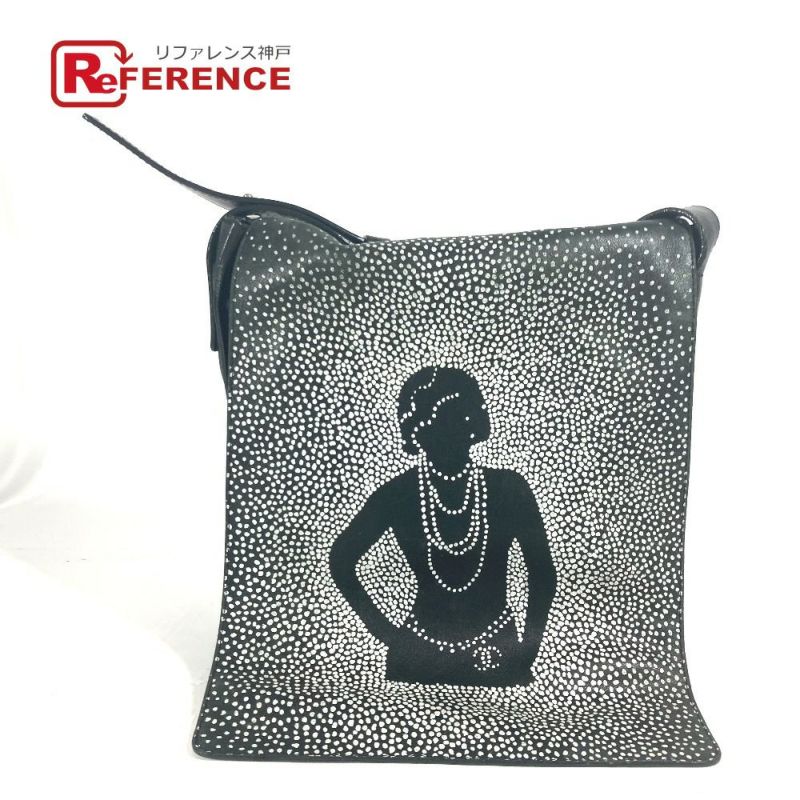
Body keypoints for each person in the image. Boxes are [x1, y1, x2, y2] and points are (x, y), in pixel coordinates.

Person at [330, 366, 557, 686]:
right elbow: (341, 560)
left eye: (460, 415)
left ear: (474, 423)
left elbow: (542, 573)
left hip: (495, 654)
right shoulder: (398, 494)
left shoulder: (508, 488)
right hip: (418, 658)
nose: (452, 428)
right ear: (417, 430)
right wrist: (387, 634)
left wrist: (529, 649)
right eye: (438, 419)